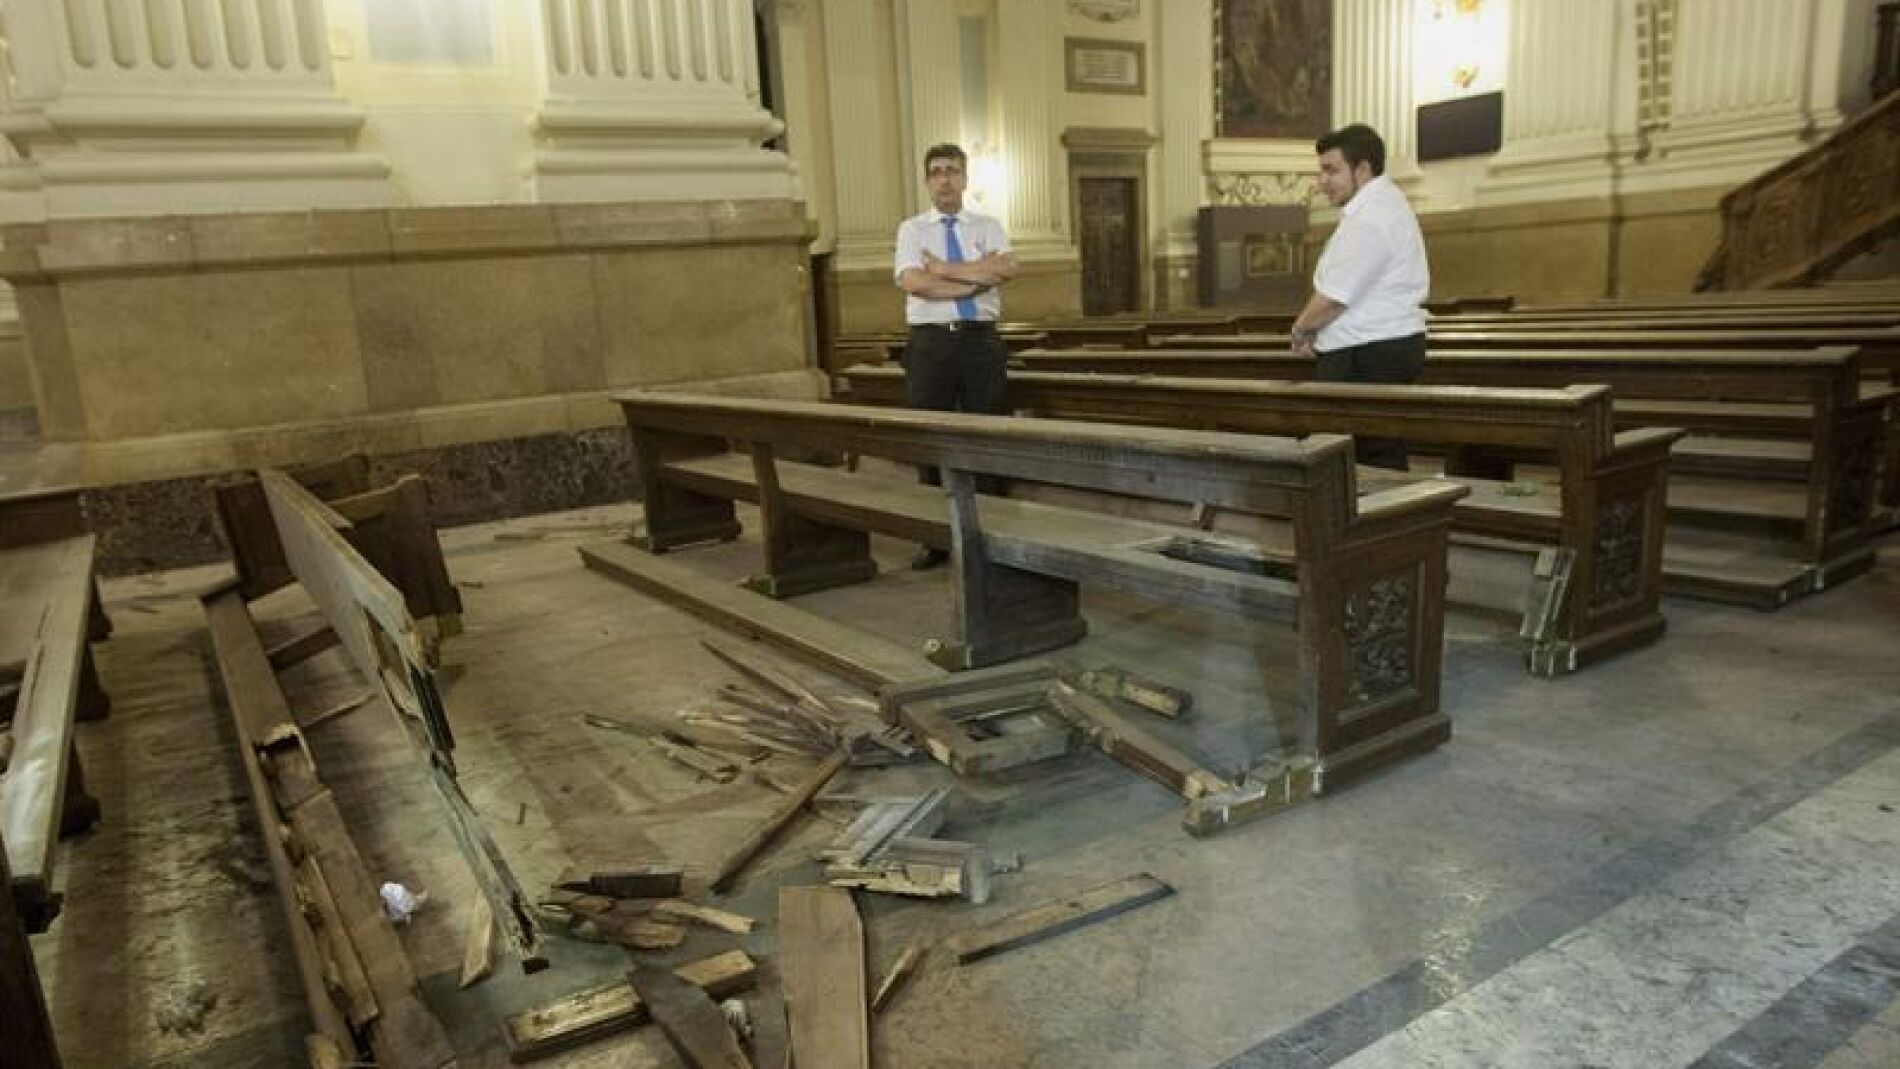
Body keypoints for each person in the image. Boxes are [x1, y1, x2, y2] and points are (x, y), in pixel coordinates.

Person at [893, 142, 1018, 568]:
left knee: (988, 431)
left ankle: (994, 534)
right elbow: (913, 282)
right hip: (931, 344)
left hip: (980, 341)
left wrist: (943, 270)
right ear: (927, 182)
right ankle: (937, 537)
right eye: (936, 171)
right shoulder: (912, 230)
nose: (944, 178)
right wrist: (972, 279)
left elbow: (1005, 269)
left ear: (964, 178)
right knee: (932, 437)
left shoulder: (987, 224)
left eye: (952, 170)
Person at [1288, 123, 1430, 470]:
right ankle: (1378, 517)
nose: (1322, 181)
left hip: (1368, 351)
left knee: (1365, 453)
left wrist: (1301, 329)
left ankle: (1376, 518)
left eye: (1331, 170)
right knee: (1371, 448)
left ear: (1363, 169)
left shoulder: (1372, 216)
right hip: (1374, 346)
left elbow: (1335, 296)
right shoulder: (1379, 205)